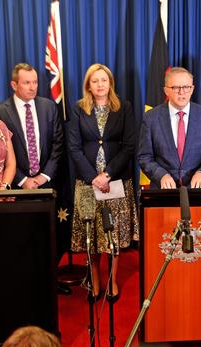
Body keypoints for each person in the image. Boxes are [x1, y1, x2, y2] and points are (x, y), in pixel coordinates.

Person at [0, 63, 70, 295]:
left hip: (48, 183)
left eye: (35, 82)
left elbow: (58, 144)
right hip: (19, 186)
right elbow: (0, 153)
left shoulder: (48, 107)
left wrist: (43, 176)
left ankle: (49, 279)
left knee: (52, 236)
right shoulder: (0, 111)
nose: (32, 87)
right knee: (23, 238)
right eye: (27, 82)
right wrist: (22, 179)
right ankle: (27, 283)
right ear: (14, 85)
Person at [67, 64, 139, 300]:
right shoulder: (78, 110)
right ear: (88, 85)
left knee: (113, 236)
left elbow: (130, 146)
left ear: (110, 83)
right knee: (92, 236)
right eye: (95, 81)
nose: (100, 85)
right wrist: (93, 178)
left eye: (104, 80)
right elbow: (74, 148)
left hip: (116, 182)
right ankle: (95, 280)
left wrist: (107, 175)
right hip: (87, 184)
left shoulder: (124, 108)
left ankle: (113, 280)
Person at [138, 67, 201, 189]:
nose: (181, 92)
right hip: (163, 192)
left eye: (186, 87)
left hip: (197, 191)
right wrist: (161, 175)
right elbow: (144, 157)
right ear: (166, 90)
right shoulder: (151, 118)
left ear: (192, 89)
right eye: (176, 88)